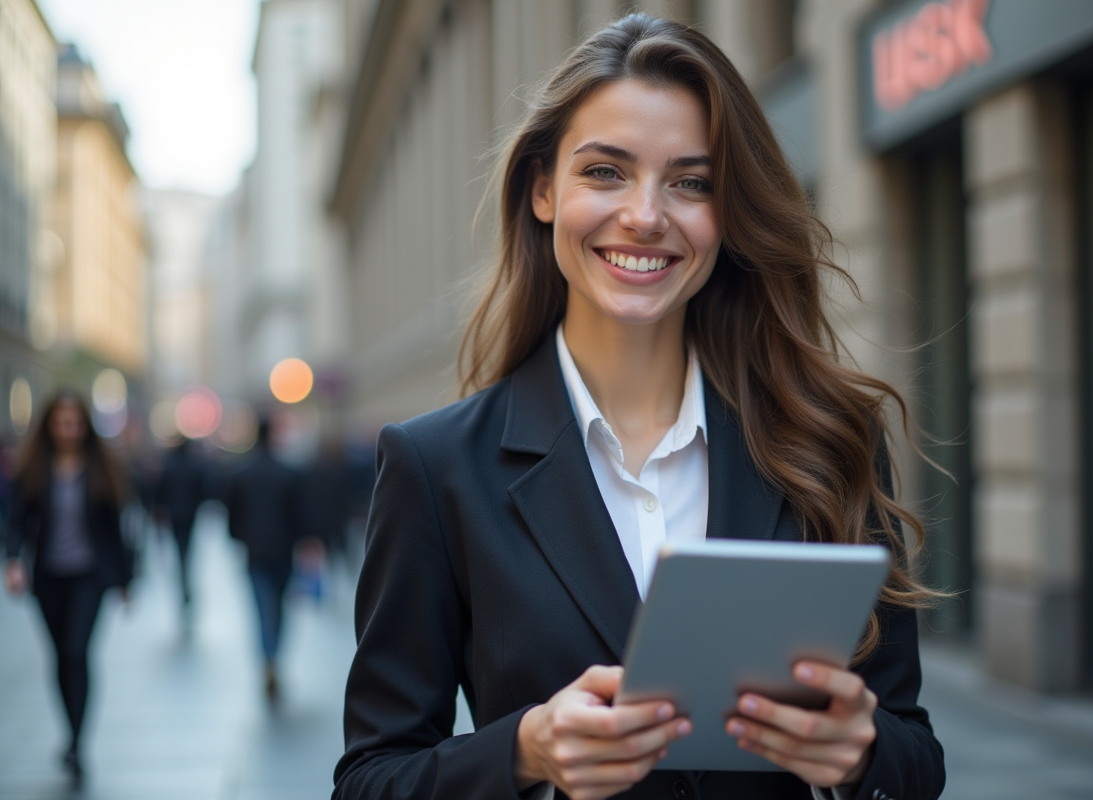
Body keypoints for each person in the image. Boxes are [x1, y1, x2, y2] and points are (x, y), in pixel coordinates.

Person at [334, 14, 945, 800]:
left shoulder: (827, 438)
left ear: (728, 215)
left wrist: (859, 753)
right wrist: (525, 751)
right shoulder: (437, 466)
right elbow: (371, 779)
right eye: (605, 172)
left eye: (691, 182)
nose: (647, 215)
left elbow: (915, 758)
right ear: (543, 189)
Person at [3, 390, 133, 781]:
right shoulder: (32, 469)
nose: (69, 430)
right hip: (48, 577)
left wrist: (126, 579)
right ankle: (70, 732)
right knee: (61, 657)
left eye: (75, 423)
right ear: (49, 426)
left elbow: (116, 531)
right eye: (61, 423)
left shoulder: (101, 468)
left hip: (90, 577)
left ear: (85, 427)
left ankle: (77, 743)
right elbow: (17, 521)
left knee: (77, 652)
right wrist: (12, 560)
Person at [225, 416, 302, 701]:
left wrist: (238, 538)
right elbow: (300, 514)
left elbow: (231, 514)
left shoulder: (241, 473)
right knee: (279, 607)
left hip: (255, 552)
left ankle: (267, 656)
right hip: (283, 552)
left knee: (260, 607)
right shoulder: (289, 473)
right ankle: (274, 654)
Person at [152, 437, 208, 623]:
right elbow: (203, 491)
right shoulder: (195, 466)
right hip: (189, 515)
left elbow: (160, 491)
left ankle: (183, 576)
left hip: (174, 516)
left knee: (180, 549)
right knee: (186, 549)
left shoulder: (170, 466)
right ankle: (185, 576)